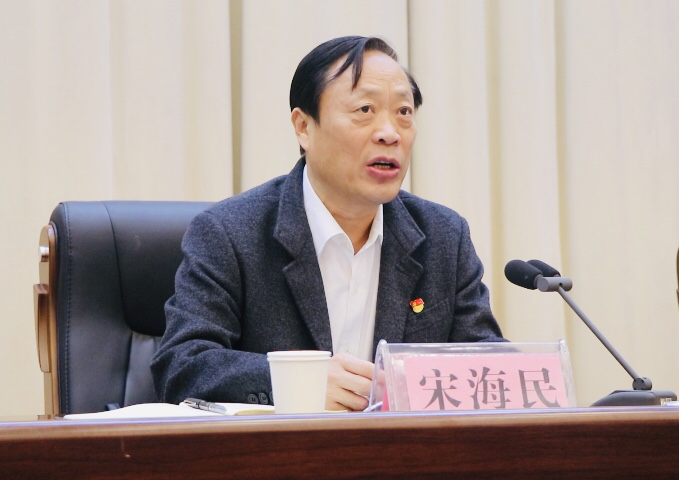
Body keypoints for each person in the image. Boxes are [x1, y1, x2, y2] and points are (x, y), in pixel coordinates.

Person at [151, 36, 504, 412]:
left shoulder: (443, 237)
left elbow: (490, 369)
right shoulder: (229, 233)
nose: (390, 133)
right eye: (365, 109)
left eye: (404, 112)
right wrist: (299, 383)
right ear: (304, 127)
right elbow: (182, 366)